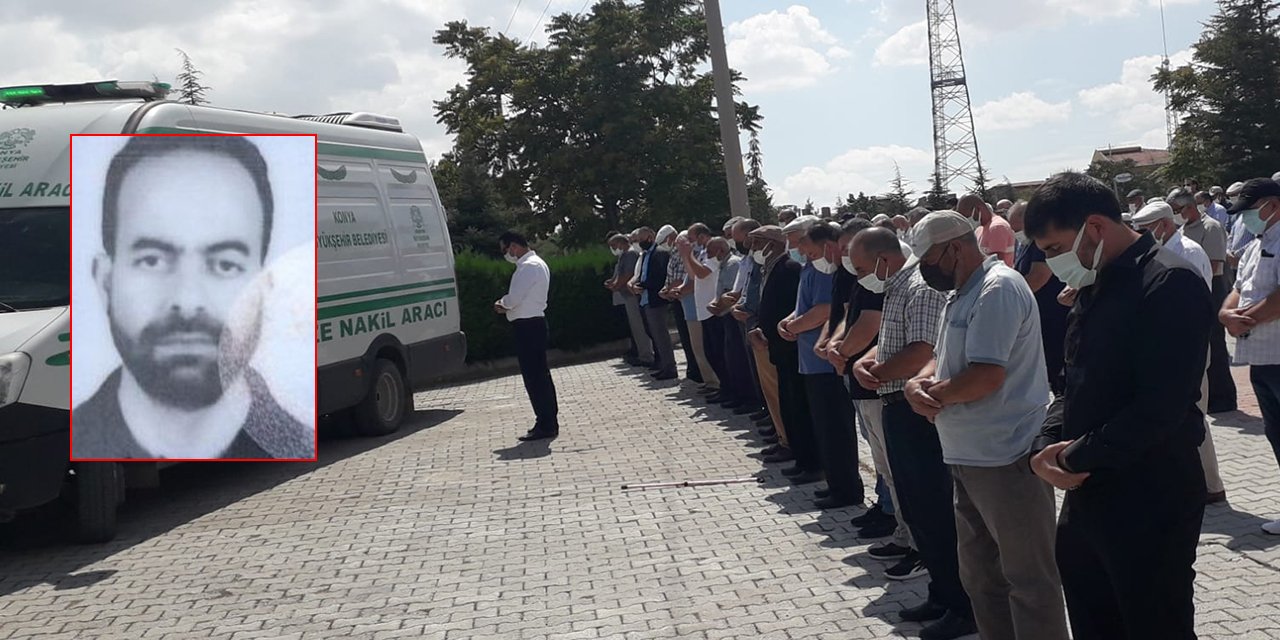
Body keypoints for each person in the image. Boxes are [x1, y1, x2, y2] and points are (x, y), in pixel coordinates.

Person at [1024, 172, 1211, 639]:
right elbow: (1073, 383)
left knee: (1153, 622)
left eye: (1053, 248)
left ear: (1095, 227)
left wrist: (1070, 457)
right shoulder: (1096, 281)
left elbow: (1160, 408)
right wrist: (1047, 443)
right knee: (1095, 620)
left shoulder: (1169, 282)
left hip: (1151, 493)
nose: (1052, 263)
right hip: (1089, 493)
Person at [72, 135, 311, 460]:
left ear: (264, 290)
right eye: (152, 260)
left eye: (225, 264)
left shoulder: (298, 439)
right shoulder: (63, 444)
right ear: (105, 283)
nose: (187, 301)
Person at [905, 211, 1068, 640]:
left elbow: (985, 376)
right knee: (981, 577)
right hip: (968, 453)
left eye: (927, 259)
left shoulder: (997, 289)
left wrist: (932, 396)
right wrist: (917, 383)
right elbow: (945, 358)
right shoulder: (961, 292)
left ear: (954, 249)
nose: (924, 269)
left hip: (1006, 455)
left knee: (1029, 580)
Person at [850, 227, 975, 640]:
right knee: (919, 511)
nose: (863, 276)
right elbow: (890, 342)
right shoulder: (897, 287)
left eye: (865, 267)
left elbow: (922, 350)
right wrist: (867, 361)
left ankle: (963, 605)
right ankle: (941, 593)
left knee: (937, 512)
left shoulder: (919, 288)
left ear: (884, 259)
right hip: (895, 408)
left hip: (912, 411)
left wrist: (880, 373)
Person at [827, 218, 917, 560]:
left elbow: (915, 344)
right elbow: (848, 319)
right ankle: (903, 531)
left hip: (887, 389)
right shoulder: (875, 280)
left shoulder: (901, 283)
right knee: (886, 468)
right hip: (868, 385)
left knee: (899, 472)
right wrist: (840, 350)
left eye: (857, 259)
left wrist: (852, 356)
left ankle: (915, 542)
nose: (851, 265)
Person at [786, 219, 865, 509]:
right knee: (825, 430)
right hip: (815, 360)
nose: (803, 255)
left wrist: (801, 329)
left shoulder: (839, 273)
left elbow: (829, 313)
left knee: (837, 431)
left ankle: (847, 490)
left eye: (807, 250)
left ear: (828, 247)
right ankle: (837, 484)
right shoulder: (824, 270)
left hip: (829, 365)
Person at [1221, 177, 1280, 535]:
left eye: (1249, 211)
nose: (1245, 219)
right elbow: (1237, 289)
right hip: (1262, 358)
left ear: (1272, 205)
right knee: (1276, 437)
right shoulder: (1256, 245)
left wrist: (1245, 320)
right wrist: (1226, 315)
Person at [749, 225, 821, 482]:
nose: (753, 249)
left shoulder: (789, 268)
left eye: (758, 242)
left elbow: (796, 307)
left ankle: (811, 462)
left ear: (773, 243)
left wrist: (782, 329)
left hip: (790, 348)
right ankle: (799, 456)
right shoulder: (769, 268)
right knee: (788, 406)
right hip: (776, 346)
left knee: (798, 408)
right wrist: (761, 328)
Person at [490, 232, 560, 442]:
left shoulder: (529, 266)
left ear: (514, 246)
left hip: (528, 326)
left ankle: (545, 422)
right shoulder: (535, 264)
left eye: (505, 249)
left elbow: (514, 298)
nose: (506, 254)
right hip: (532, 324)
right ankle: (547, 421)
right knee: (540, 376)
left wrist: (501, 304)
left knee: (535, 377)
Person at [1171, 187, 1237, 413]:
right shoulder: (1182, 230)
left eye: (1177, 210)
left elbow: (1214, 265)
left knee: (1215, 345)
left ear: (1189, 207)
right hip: (1192, 290)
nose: (1175, 214)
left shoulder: (1211, 227)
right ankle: (1209, 396)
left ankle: (1223, 397)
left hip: (1212, 288)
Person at [630, 227, 678, 381]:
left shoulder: (660, 253)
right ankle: (662, 365)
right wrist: (638, 285)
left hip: (656, 300)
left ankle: (670, 367)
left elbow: (659, 277)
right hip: (645, 299)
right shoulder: (645, 255)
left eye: (642, 239)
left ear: (650, 237)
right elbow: (642, 274)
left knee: (661, 336)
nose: (640, 242)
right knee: (655, 336)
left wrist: (643, 285)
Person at [677, 226, 721, 395]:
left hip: (712, 308)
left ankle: (718, 383)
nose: (689, 242)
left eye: (691, 238)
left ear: (702, 236)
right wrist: (686, 256)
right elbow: (693, 275)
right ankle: (711, 382)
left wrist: (687, 255)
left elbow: (702, 274)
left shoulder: (714, 250)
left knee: (715, 350)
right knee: (704, 348)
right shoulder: (701, 253)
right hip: (702, 308)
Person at [660, 228, 704, 385]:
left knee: (697, 343)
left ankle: (702, 375)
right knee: (687, 340)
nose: (677, 246)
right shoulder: (674, 254)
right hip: (680, 300)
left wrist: (676, 289)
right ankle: (694, 371)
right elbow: (671, 276)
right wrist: (666, 289)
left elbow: (692, 278)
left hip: (691, 301)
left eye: (680, 243)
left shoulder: (695, 255)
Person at [606, 233, 652, 368]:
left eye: (614, 246)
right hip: (627, 296)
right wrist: (613, 283)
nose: (613, 249)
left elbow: (628, 275)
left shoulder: (631, 254)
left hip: (633, 296)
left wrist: (616, 286)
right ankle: (643, 354)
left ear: (620, 243)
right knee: (636, 328)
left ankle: (646, 356)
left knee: (639, 327)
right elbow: (621, 274)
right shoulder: (624, 255)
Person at [958, 194, 1015, 267]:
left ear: (978, 209)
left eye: (967, 216)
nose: (967, 221)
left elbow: (996, 264)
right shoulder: (979, 229)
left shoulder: (997, 228)